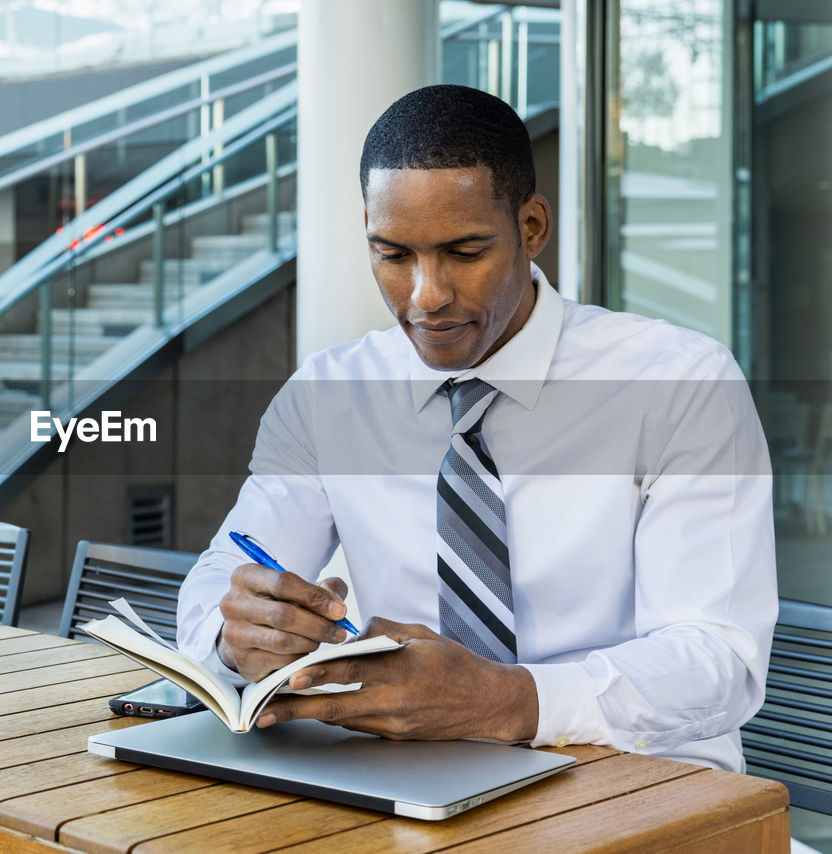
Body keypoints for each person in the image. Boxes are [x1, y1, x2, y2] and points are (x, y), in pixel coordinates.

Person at [176, 84, 776, 771]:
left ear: (532, 228)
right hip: (409, 781)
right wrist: (237, 634)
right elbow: (221, 579)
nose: (425, 296)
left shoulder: (680, 384)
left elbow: (718, 658)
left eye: (464, 252)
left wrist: (504, 701)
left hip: (640, 781)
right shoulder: (328, 395)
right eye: (393, 255)